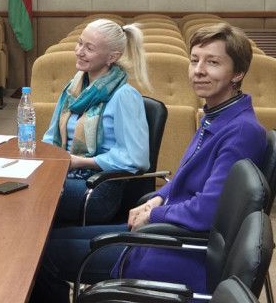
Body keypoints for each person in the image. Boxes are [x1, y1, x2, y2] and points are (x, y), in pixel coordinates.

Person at [31, 22, 268, 302]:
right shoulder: (216, 116)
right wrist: (155, 199)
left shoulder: (241, 131)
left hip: (176, 250)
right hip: (164, 234)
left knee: (39, 254)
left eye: (213, 62)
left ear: (238, 73)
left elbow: (207, 210)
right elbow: (182, 180)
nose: (199, 70)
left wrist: (154, 215)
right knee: (41, 242)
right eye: (194, 61)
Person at [43, 19, 151, 224]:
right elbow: (51, 137)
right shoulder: (73, 89)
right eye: (79, 43)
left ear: (112, 57)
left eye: (89, 48)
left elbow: (136, 158)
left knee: (34, 192)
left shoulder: (124, 96)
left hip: (99, 188)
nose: (79, 51)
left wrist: (79, 162)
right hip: (65, 175)